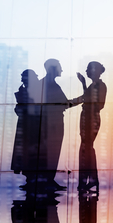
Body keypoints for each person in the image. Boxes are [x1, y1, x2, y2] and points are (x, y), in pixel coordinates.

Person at [37, 59, 75, 190]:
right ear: (52, 69)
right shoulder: (51, 85)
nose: (62, 69)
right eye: (59, 67)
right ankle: (47, 181)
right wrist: (83, 98)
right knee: (52, 153)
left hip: (50, 124)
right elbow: (65, 104)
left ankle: (47, 180)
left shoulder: (45, 84)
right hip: (53, 125)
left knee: (50, 153)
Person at [74, 61, 107, 196]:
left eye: (88, 69)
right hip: (87, 117)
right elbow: (85, 98)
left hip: (91, 118)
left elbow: (97, 103)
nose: (86, 71)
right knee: (86, 149)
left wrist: (83, 85)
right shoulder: (93, 85)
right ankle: (90, 180)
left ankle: (89, 180)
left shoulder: (100, 85)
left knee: (86, 148)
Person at [11, 70, 42, 183]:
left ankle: (31, 176)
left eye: (24, 78)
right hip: (27, 125)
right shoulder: (24, 91)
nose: (22, 80)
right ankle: (29, 176)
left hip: (32, 125)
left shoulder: (34, 91)